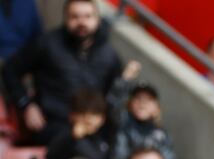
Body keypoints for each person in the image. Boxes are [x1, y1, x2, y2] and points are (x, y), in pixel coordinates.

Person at [2, 0, 123, 143]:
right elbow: (10, 70)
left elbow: (114, 96)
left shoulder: (109, 55)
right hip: (52, 126)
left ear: (97, 19)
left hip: (92, 131)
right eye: (75, 16)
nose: (81, 22)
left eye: (87, 16)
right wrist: (26, 105)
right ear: (66, 18)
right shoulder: (47, 44)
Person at [106, 81, 177, 159]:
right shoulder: (120, 123)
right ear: (130, 104)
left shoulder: (162, 136)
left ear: (156, 108)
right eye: (138, 98)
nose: (142, 103)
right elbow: (111, 104)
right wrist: (125, 80)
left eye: (148, 100)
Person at [46, 88, 111, 159]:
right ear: (73, 115)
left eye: (96, 114)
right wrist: (73, 137)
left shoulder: (101, 136)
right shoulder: (66, 133)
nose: (90, 120)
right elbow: (51, 155)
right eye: (84, 114)